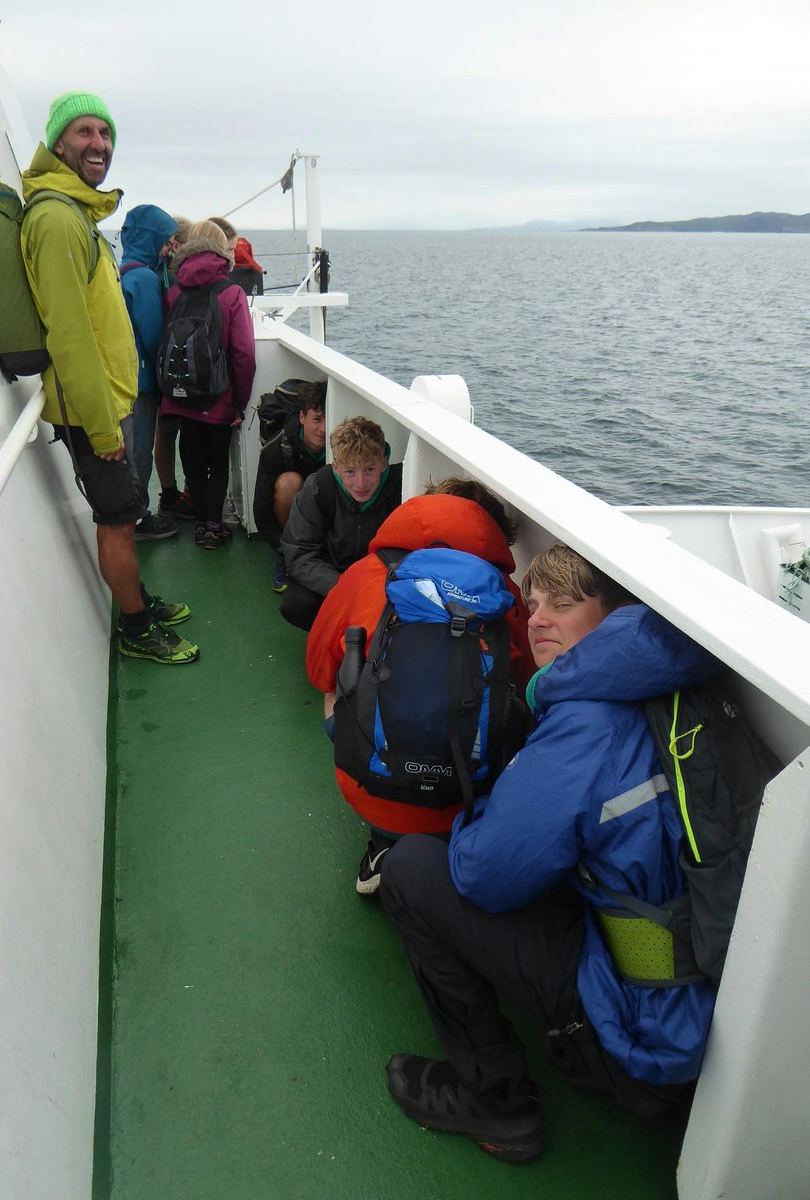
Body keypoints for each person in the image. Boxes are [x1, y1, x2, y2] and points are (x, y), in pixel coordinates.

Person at [378, 543, 720, 1163]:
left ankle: (496, 1101)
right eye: (533, 604)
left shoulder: (590, 722)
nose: (536, 619)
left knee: (410, 868)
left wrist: (470, 823)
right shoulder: (671, 684)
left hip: (638, 1037)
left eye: (562, 605)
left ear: (615, 617)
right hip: (689, 1005)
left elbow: (483, 876)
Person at [20, 90, 198, 665]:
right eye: (84, 132)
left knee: (126, 514)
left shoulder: (76, 212)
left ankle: (136, 596)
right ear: (57, 142)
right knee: (120, 524)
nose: (99, 144)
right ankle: (135, 627)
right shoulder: (54, 218)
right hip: (91, 412)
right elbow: (68, 338)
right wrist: (102, 429)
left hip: (109, 402)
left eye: (105, 134)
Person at [306, 478, 538, 894]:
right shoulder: (507, 596)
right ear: (493, 536)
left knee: (335, 684)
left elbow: (319, 671)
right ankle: (453, 849)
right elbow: (528, 687)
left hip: (371, 791)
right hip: (465, 796)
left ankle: (384, 842)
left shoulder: (365, 575)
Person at [161, 219, 256, 549]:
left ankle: (200, 518)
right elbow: (243, 354)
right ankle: (213, 526)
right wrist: (239, 403)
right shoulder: (232, 293)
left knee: (193, 459)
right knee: (218, 464)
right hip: (218, 397)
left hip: (181, 396)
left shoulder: (174, 291)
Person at [279, 416, 403, 631]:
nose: (361, 483)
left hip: (379, 580)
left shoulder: (401, 488)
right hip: (333, 576)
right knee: (296, 604)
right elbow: (299, 553)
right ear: (336, 468)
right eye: (350, 472)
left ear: (384, 462)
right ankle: (334, 633)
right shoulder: (319, 488)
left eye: (370, 469)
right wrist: (343, 586)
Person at [119, 204, 180, 541]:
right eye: (167, 240)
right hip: (141, 383)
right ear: (152, 237)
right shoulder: (143, 278)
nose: (170, 247)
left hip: (128, 378)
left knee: (133, 449)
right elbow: (155, 335)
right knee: (139, 450)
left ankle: (134, 511)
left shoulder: (128, 269)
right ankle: (139, 518)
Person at [252, 381, 327, 592]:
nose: (323, 428)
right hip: (293, 520)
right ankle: (289, 559)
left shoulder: (340, 447)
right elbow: (261, 512)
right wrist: (284, 550)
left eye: (328, 419)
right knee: (289, 483)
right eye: (317, 419)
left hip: (324, 514)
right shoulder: (278, 448)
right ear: (303, 418)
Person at [155, 215, 197, 520]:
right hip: (178, 367)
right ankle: (182, 493)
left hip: (162, 365)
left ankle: (171, 493)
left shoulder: (159, 276)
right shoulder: (174, 281)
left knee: (166, 430)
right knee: (177, 430)